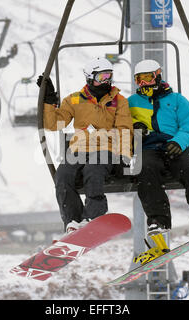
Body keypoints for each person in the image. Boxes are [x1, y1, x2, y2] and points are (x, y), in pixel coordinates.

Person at [38, 57, 133, 234]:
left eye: (109, 76)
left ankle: (94, 216)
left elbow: (124, 129)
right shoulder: (74, 100)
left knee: (93, 170)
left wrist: (124, 157)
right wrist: (49, 102)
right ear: (90, 78)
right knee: (63, 176)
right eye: (101, 77)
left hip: (106, 149)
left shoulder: (119, 101)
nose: (106, 81)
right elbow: (54, 124)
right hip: (78, 150)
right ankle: (73, 220)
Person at [128, 59, 189, 238]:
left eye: (147, 78)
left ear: (157, 75)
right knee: (145, 169)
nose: (143, 83)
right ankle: (158, 220)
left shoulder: (176, 100)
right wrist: (135, 129)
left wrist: (179, 142)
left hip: (173, 146)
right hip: (148, 147)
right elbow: (121, 124)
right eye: (139, 80)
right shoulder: (131, 103)